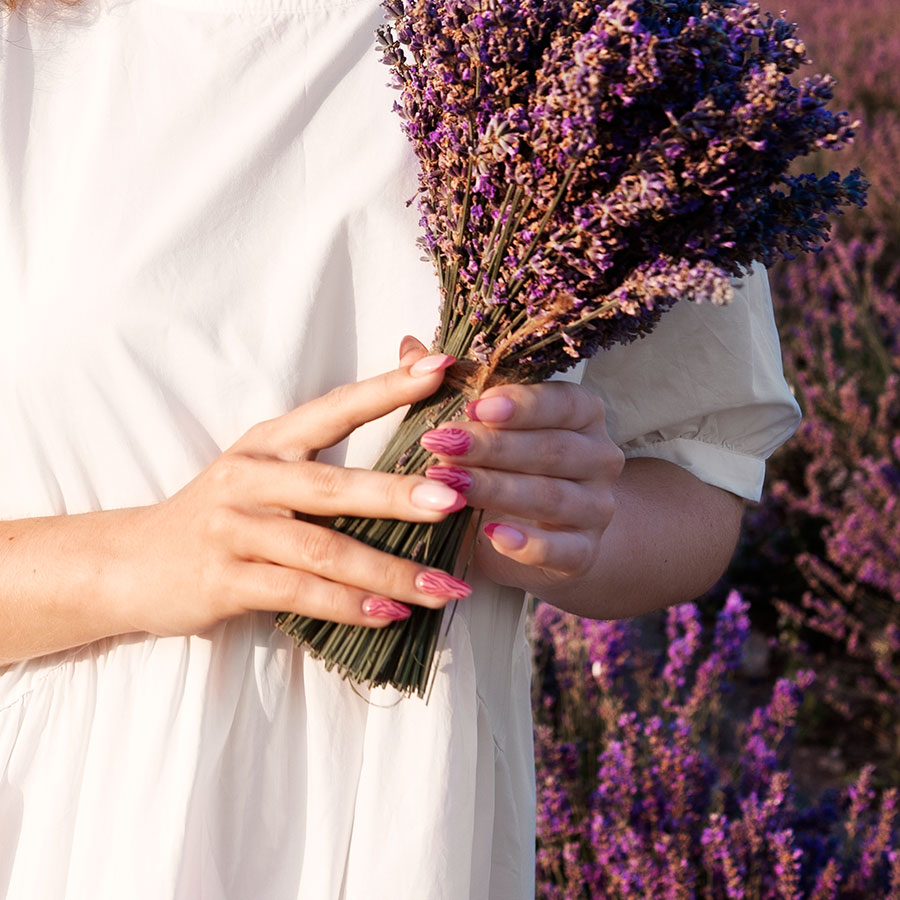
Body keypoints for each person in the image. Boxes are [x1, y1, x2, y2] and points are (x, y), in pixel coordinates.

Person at [0, 0, 801, 896]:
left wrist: (575, 526)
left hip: (411, 818)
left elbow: (702, 471)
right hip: (66, 819)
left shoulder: (601, 30)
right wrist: (137, 558)